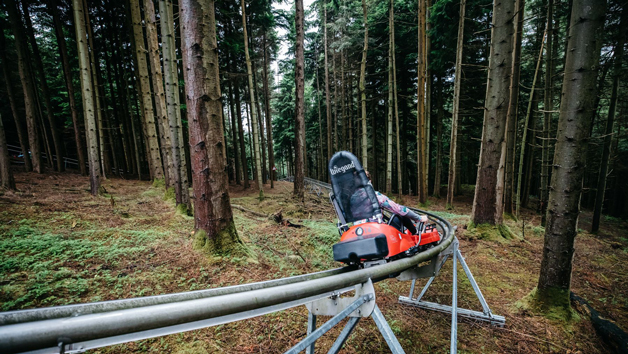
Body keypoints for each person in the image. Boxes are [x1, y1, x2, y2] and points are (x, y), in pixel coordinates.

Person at [364, 170, 428, 224]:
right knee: (401, 215)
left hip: (357, 233)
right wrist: (419, 218)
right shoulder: (377, 197)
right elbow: (398, 209)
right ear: (369, 182)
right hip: (377, 231)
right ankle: (415, 233)